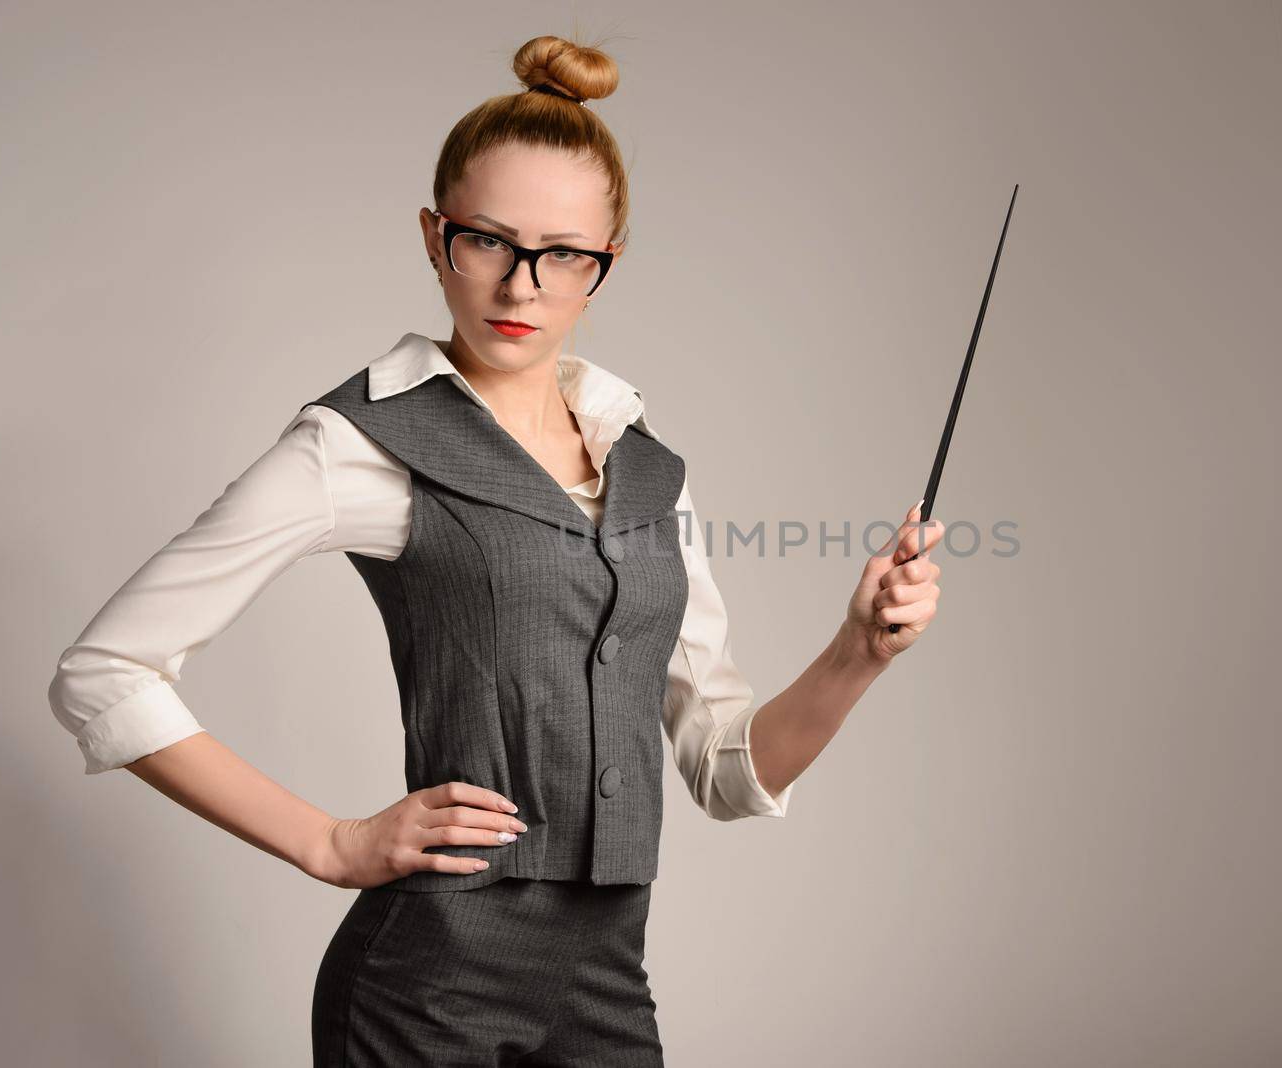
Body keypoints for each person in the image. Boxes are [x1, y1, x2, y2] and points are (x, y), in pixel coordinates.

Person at [47, 33, 945, 1066]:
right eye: (488, 241)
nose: (522, 285)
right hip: (424, 989)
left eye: (563, 252)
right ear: (435, 238)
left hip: (605, 979)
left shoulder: (650, 469)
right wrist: (330, 843)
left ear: (606, 264)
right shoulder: (358, 442)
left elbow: (725, 772)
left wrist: (856, 652)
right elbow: (105, 673)